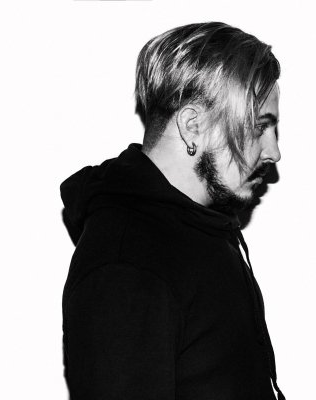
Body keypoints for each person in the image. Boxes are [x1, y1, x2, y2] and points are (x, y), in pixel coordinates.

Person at [60, 22, 284, 400]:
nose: (273, 151)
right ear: (192, 125)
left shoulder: (203, 229)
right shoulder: (126, 264)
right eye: (259, 127)